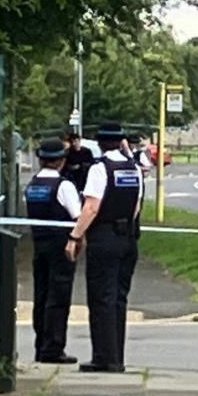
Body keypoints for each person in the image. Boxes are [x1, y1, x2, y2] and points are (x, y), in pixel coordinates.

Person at [64, 123, 142, 373]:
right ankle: (116, 355)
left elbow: (91, 207)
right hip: (128, 238)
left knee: (101, 298)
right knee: (119, 298)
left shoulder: (100, 169)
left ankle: (104, 357)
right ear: (121, 142)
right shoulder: (134, 169)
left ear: (99, 143)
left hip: (104, 237)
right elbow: (136, 207)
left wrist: (76, 236)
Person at [24, 138, 82, 364]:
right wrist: (78, 241)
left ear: (40, 159)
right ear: (62, 161)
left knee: (41, 296)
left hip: (39, 245)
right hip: (61, 246)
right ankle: (54, 348)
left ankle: (41, 345)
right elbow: (77, 216)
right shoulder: (64, 186)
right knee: (58, 296)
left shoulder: (33, 185)